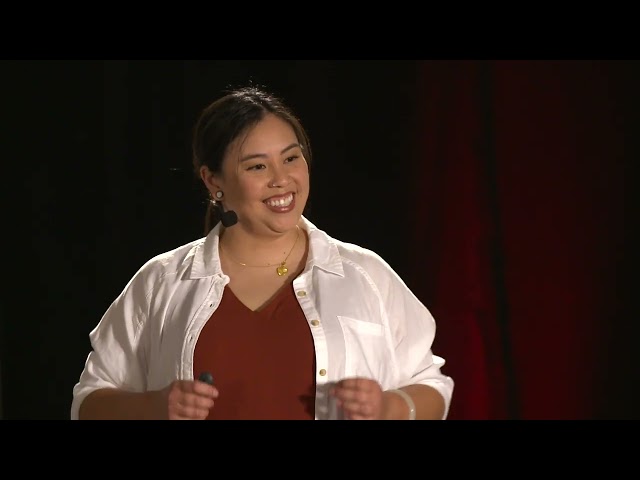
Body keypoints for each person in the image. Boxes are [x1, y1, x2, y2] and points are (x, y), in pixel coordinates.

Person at [71, 85, 454, 420]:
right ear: (213, 180)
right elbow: (89, 402)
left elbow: (430, 384)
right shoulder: (162, 282)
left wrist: (390, 408)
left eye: (291, 158)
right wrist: (154, 407)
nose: (282, 179)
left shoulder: (365, 274)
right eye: (257, 166)